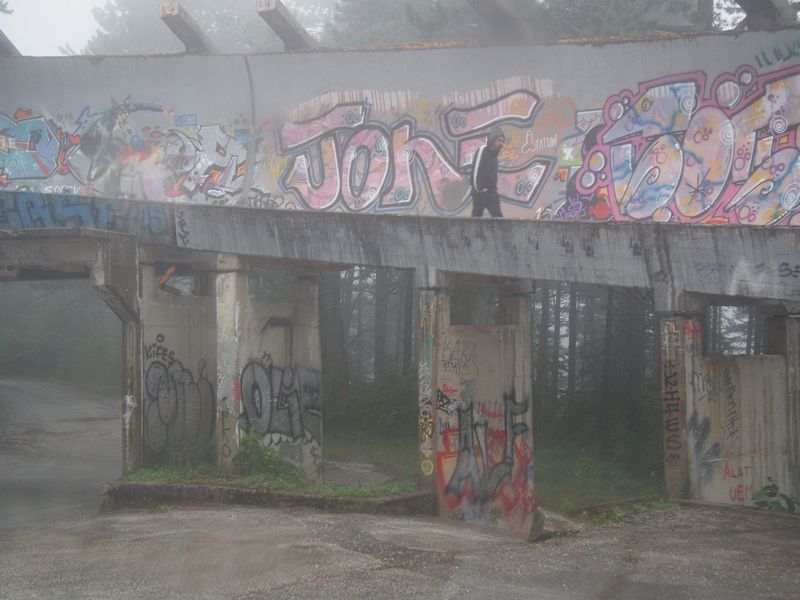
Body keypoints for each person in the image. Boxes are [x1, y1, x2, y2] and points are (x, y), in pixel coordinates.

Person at [470, 126, 505, 218]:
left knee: (498, 218)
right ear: (492, 139)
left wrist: (494, 188)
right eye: (499, 140)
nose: (501, 144)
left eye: (502, 141)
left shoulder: (494, 157)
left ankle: (501, 232)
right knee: (476, 218)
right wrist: (479, 189)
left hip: (491, 193)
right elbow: (475, 171)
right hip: (480, 193)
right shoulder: (483, 150)